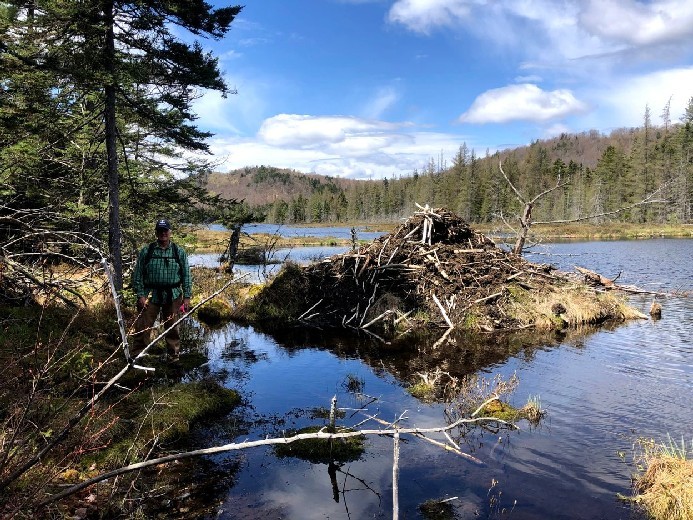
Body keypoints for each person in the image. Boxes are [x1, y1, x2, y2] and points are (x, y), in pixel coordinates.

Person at [132, 219, 192, 361]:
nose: (163, 233)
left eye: (165, 230)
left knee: (173, 328)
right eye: (160, 231)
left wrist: (187, 296)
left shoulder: (179, 252)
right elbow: (138, 274)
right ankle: (137, 357)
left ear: (170, 232)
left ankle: (173, 357)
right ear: (156, 233)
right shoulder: (147, 251)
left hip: (173, 295)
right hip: (150, 295)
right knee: (143, 327)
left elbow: (186, 275)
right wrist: (140, 295)